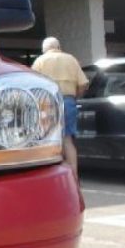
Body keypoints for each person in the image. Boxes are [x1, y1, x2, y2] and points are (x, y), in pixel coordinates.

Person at [32, 37, 89, 178]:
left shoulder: (40, 61)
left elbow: (32, 84)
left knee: (48, 140)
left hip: (47, 102)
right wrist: (74, 97)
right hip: (68, 100)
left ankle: (52, 176)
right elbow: (83, 84)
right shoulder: (71, 59)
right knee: (67, 139)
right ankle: (73, 176)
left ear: (44, 49)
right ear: (58, 46)